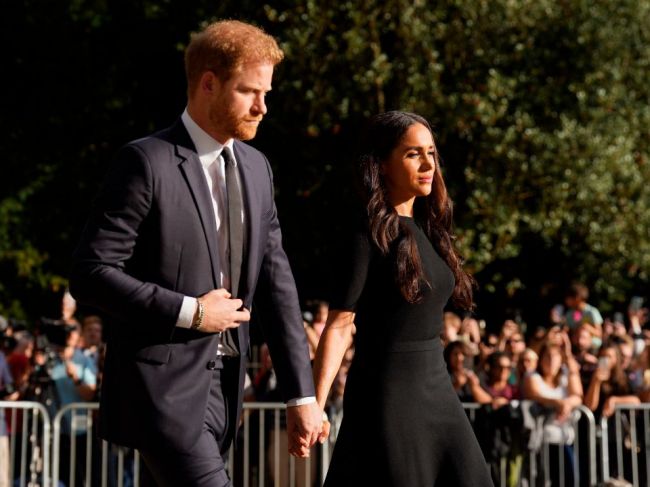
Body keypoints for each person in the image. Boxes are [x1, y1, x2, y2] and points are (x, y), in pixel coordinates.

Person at [70, 20, 322, 486]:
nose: (263, 107)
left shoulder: (257, 168)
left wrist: (300, 397)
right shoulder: (146, 161)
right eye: (250, 92)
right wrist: (192, 312)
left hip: (228, 392)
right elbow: (90, 271)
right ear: (209, 83)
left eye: (267, 93)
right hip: (162, 393)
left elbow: (277, 285)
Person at [312, 111, 493, 486]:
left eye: (431, 152)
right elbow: (340, 324)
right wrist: (313, 405)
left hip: (437, 386)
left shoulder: (429, 227)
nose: (428, 164)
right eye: (413, 154)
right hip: (390, 394)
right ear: (381, 164)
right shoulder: (366, 233)